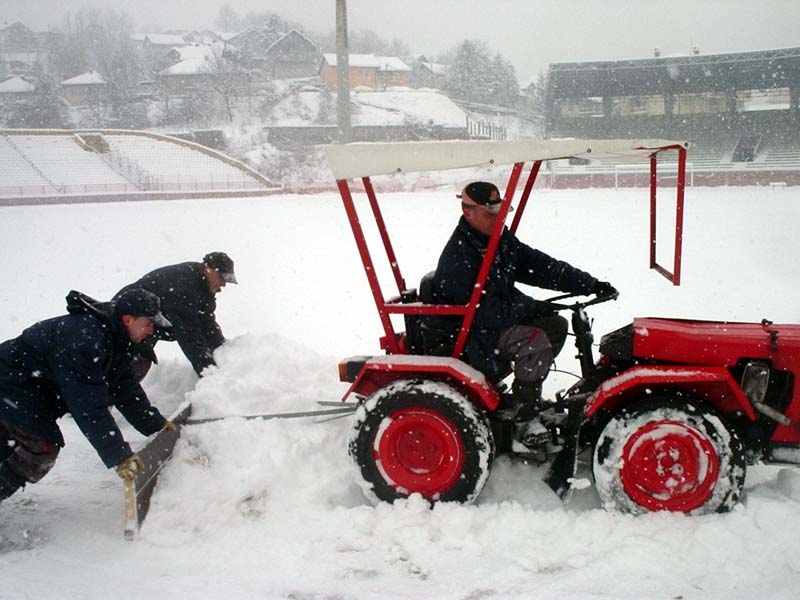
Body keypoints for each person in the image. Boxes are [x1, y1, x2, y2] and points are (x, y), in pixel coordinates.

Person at [430, 181, 617, 447]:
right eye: (490, 214)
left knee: (555, 325)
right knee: (534, 340)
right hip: (472, 335)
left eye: (500, 213)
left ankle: (527, 396)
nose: (498, 220)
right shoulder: (459, 257)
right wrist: (531, 307)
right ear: (468, 212)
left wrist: (589, 284)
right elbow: (484, 313)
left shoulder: (498, 242)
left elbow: (541, 267)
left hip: (490, 326)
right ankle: (524, 417)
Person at [0, 288, 175, 503]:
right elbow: (88, 405)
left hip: (23, 392)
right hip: (11, 387)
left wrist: (157, 425)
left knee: (9, 444)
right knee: (40, 449)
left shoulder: (116, 339)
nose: (151, 331)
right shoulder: (86, 339)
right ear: (128, 319)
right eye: (148, 323)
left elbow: (126, 392)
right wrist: (118, 455)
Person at [114, 252, 237, 379]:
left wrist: (223, 350)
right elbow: (189, 334)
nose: (223, 284)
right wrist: (208, 373)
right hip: (129, 316)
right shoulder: (183, 286)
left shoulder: (204, 289)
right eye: (222, 278)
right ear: (207, 268)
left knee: (138, 361)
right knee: (130, 364)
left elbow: (207, 324)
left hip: (148, 323)